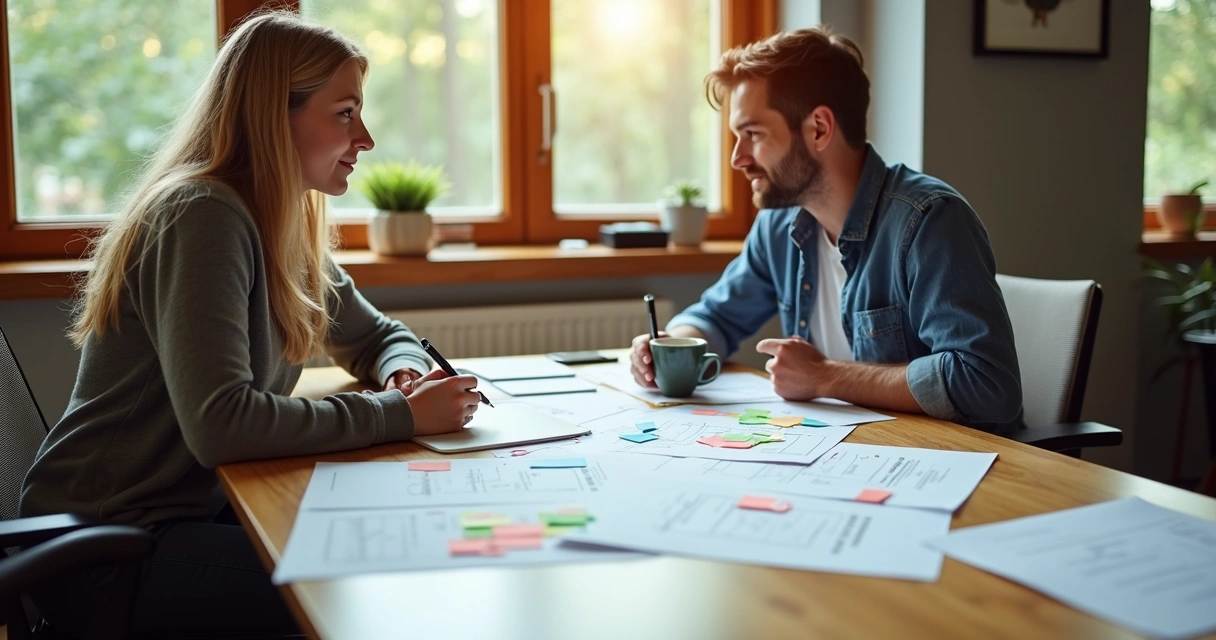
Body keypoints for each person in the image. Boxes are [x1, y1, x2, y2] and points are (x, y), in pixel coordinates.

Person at [20, 12, 481, 637]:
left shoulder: (279, 222)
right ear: (274, 115)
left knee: (383, 546)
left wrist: (402, 371)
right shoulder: (202, 214)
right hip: (108, 547)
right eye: (345, 112)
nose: (366, 137)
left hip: (184, 517)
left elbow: (375, 335)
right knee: (374, 587)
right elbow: (221, 424)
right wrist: (400, 416)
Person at [630, 28, 1023, 435]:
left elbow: (985, 382)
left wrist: (825, 377)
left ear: (818, 128)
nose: (737, 158)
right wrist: (670, 344)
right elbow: (717, 316)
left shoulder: (929, 221)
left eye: (753, 134)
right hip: (842, 454)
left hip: (945, 466)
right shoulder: (780, 224)